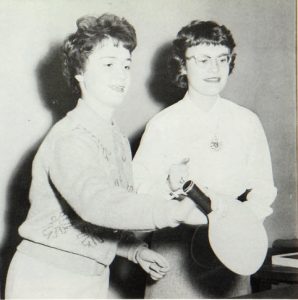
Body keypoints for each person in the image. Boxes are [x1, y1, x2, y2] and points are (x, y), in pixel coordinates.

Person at [5, 14, 204, 299]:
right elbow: (96, 203)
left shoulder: (116, 138)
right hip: (46, 278)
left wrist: (134, 250)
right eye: (108, 65)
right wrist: (173, 210)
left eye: (126, 65)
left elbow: (102, 217)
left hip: (91, 277)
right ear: (80, 73)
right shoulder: (70, 136)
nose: (121, 74)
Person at [133, 20, 277, 298]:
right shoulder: (163, 124)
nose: (214, 69)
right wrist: (169, 185)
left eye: (222, 59)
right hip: (176, 254)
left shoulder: (247, 122)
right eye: (203, 60)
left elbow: (263, 190)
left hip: (231, 254)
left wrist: (244, 227)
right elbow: (139, 188)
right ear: (183, 66)